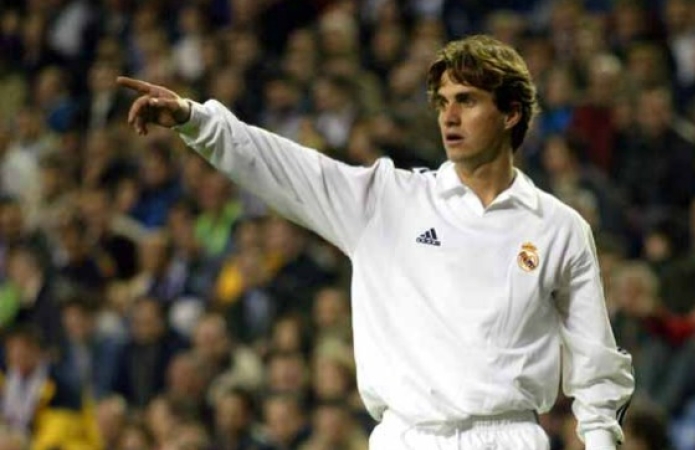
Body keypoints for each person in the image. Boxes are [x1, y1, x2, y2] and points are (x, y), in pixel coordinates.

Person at [119, 34, 634, 450]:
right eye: (443, 103)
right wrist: (196, 120)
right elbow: (284, 166)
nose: (449, 117)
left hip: (510, 437)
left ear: (511, 113)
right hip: (405, 437)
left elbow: (597, 368)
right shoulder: (387, 200)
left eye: (467, 101)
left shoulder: (559, 228)